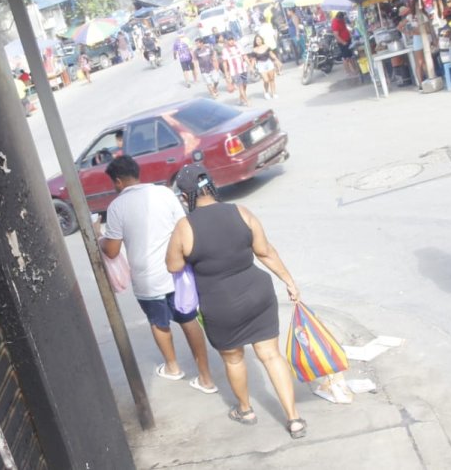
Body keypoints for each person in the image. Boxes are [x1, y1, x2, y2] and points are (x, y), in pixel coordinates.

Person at [165, 164, 305, 439]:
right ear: (211, 186)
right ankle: (294, 419)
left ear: (185, 197)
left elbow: (173, 265)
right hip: (258, 293)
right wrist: (289, 281)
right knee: (271, 355)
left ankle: (245, 410)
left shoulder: (184, 227)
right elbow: (265, 252)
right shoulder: (241, 212)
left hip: (220, 304)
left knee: (234, 359)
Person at [98, 157, 218, 394]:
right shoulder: (164, 194)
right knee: (188, 319)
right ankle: (206, 378)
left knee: (159, 322)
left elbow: (111, 251)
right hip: (177, 272)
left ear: (119, 182)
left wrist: (99, 238)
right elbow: (185, 228)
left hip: (148, 280)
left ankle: (173, 367)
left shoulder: (116, 207)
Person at [219, 34, 250, 106]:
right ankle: (247, 101)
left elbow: (244, 55)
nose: (231, 41)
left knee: (244, 85)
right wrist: (226, 73)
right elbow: (224, 63)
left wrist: (250, 65)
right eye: (229, 40)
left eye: (232, 39)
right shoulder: (225, 50)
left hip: (243, 69)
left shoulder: (238, 46)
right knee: (240, 86)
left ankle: (241, 98)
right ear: (226, 41)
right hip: (234, 71)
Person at [250, 35, 280, 99]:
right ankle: (266, 92)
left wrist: (277, 61)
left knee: (272, 79)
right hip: (261, 65)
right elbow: (253, 60)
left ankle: (274, 93)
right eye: (257, 40)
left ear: (262, 40)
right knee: (266, 80)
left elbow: (272, 55)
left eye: (259, 39)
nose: (258, 41)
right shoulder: (254, 50)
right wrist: (252, 67)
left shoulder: (266, 47)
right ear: (255, 42)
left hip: (269, 63)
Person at [330, 12, 358, 76]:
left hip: (348, 39)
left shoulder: (342, 20)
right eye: (342, 18)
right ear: (339, 18)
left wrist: (350, 33)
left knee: (351, 56)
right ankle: (348, 72)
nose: (343, 19)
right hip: (343, 42)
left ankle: (354, 70)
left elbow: (345, 28)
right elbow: (336, 36)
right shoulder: (335, 23)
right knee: (346, 58)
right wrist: (343, 42)